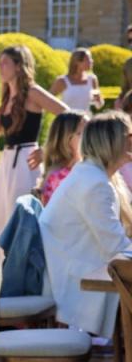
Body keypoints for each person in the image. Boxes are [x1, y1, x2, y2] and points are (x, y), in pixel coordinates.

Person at [40, 111, 132, 341]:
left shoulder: (91, 174)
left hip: (78, 270)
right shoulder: (94, 184)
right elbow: (116, 248)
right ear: (111, 143)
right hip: (76, 284)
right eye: (128, 136)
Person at [0, 45, 67, 246]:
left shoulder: (33, 92)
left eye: (5, 63)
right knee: (3, 218)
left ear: (18, 66)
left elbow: (70, 116)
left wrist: (49, 147)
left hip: (27, 162)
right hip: (7, 162)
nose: (0, 67)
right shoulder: (8, 95)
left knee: (23, 217)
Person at [38, 110, 88, 205]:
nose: (89, 137)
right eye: (81, 133)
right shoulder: (61, 176)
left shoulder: (80, 168)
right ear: (66, 139)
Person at [51, 48, 104, 112]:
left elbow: (98, 105)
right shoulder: (62, 81)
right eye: (87, 59)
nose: (91, 61)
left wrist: (98, 100)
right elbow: (48, 101)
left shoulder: (92, 79)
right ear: (77, 62)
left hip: (86, 120)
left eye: (91, 58)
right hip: (68, 120)